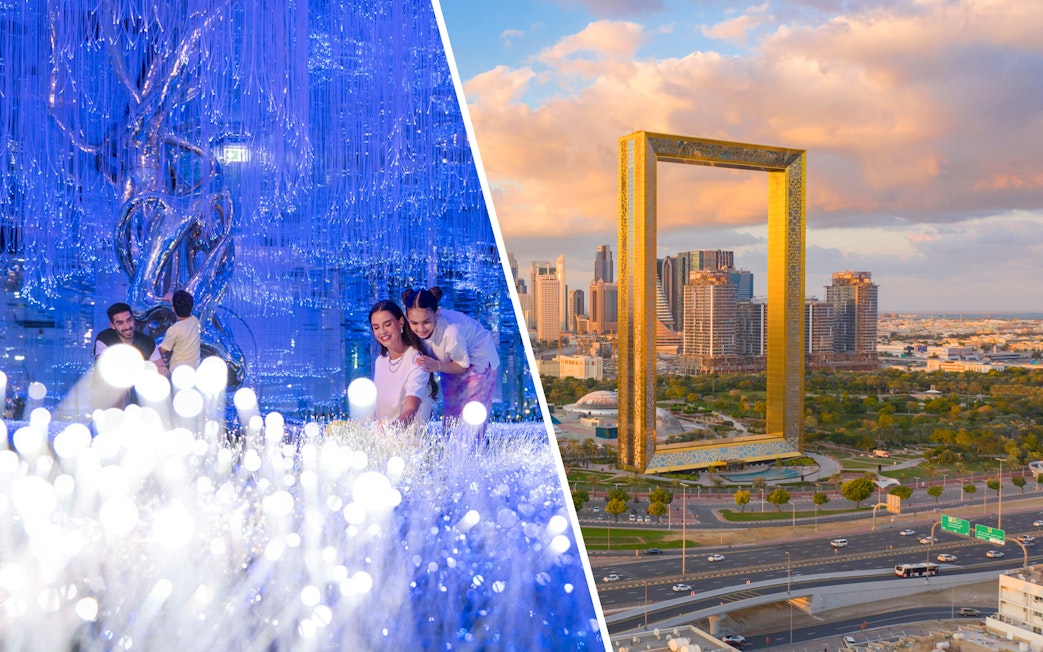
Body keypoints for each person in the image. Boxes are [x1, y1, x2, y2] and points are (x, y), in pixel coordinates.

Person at [402, 287, 499, 430]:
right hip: (449, 361)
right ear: (407, 317)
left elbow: (462, 365)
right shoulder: (408, 324)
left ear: (436, 314)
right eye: (414, 323)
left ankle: (475, 447)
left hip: (479, 358)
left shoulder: (451, 333)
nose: (420, 328)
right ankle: (451, 446)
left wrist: (437, 366)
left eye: (426, 322)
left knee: (472, 410)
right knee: (452, 407)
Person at [369, 299, 436, 426]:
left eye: (387, 324)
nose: (382, 332)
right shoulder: (380, 361)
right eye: (376, 327)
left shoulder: (417, 361)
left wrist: (393, 429)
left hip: (409, 442)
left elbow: (410, 409)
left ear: (400, 323)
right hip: (382, 439)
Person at [95, 302, 167, 375]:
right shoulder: (104, 339)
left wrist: (163, 372)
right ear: (112, 325)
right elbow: (105, 369)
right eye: (120, 323)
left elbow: (162, 369)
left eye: (129, 320)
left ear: (133, 319)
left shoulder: (148, 342)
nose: (127, 326)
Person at [159, 290, 201, 372]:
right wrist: (171, 299)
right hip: (195, 371)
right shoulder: (195, 320)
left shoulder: (174, 330)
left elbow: (162, 350)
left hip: (178, 373)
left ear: (173, 308)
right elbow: (180, 305)